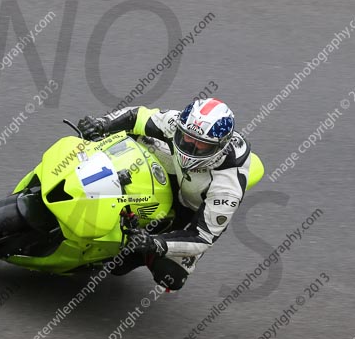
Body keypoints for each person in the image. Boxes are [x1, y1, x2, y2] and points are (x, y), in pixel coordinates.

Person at [77, 98, 251, 291]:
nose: (189, 146)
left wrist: (155, 244)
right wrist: (101, 124)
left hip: (193, 208)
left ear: (220, 147)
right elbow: (137, 116)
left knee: (165, 274)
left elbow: (202, 237)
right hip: (173, 171)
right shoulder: (177, 123)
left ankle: (146, 249)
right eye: (186, 137)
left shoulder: (228, 186)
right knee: (126, 135)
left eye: (200, 145)